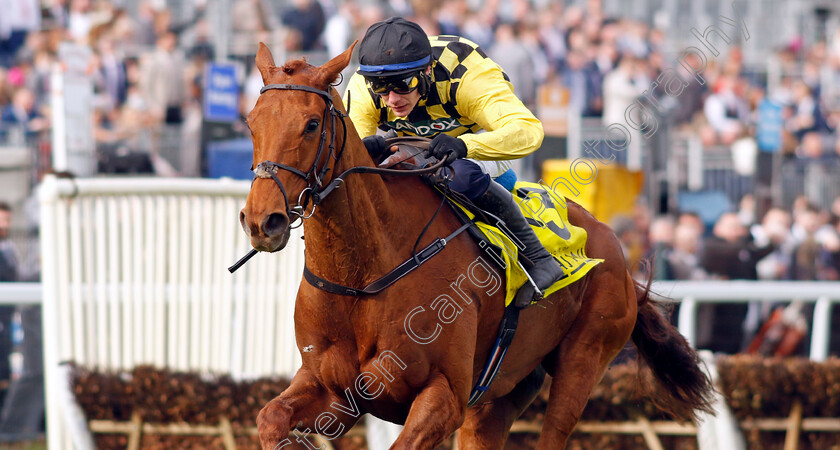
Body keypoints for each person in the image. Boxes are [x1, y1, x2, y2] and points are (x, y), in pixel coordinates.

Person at [343, 17, 563, 308]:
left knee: (457, 176)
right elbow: (350, 161)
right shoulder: (363, 86)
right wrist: (363, 148)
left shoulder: (467, 74)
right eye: (381, 89)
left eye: (403, 85)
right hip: (410, 143)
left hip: (477, 140)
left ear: (428, 70)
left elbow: (529, 132)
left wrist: (464, 145)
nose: (392, 99)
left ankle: (540, 258)